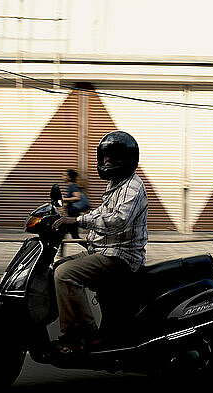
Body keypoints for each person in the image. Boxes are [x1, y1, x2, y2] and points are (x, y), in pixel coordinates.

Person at [52, 131, 148, 353]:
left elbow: (118, 220)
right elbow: (103, 211)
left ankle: (84, 333)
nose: (105, 163)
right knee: (56, 267)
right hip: (106, 249)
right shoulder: (116, 183)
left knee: (65, 274)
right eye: (103, 158)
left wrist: (78, 219)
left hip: (121, 256)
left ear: (124, 159)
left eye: (110, 158)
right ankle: (71, 327)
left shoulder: (132, 187)